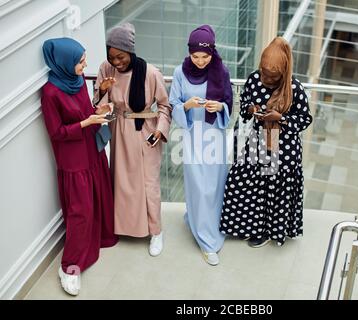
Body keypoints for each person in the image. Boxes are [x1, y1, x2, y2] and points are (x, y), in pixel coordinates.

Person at [41, 38, 118, 296]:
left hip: (92, 151)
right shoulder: (51, 93)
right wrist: (88, 122)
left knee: (100, 196)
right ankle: (69, 267)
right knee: (80, 211)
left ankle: (101, 239)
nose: (85, 65)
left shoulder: (77, 81)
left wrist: (100, 108)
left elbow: (86, 111)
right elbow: (57, 132)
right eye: (80, 61)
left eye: (84, 59)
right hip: (74, 160)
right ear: (63, 62)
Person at [220, 37, 313, 247]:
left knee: (273, 188)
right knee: (243, 180)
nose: (266, 79)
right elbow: (244, 104)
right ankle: (246, 225)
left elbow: (305, 119)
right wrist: (253, 109)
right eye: (264, 73)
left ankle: (266, 231)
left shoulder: (294, 89)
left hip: (284, 146)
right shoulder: (254, 79)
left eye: (272, 77)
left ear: (283, 72)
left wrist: (280, 118)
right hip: (258, 140)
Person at [93, 23, 172, 256]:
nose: (116, 62)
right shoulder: (105, 69)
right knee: (122, 181)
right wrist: (102, 90)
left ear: (130, 50)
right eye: (112, 57)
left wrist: (160, 130)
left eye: (121, 57)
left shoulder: (151, 73)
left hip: (146, 132)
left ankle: (156, 232)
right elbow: (98, 104)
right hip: (119, 129)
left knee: (148, 183)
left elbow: (165, 106)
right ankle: (123, 226)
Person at [169, 25, 233, 266]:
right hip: (192, 135)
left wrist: (220, 108)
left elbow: (228, 104)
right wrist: (187, 106)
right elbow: (173, 102)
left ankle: (206, 221)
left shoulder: (222, 71)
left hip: (214, 135)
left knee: (214, 187)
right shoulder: (179, 72)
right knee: (199, 187)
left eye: (205, 56)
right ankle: (207, 241)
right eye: (195, 56)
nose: (200, 61)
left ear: (212, 53)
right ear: (189, 53)